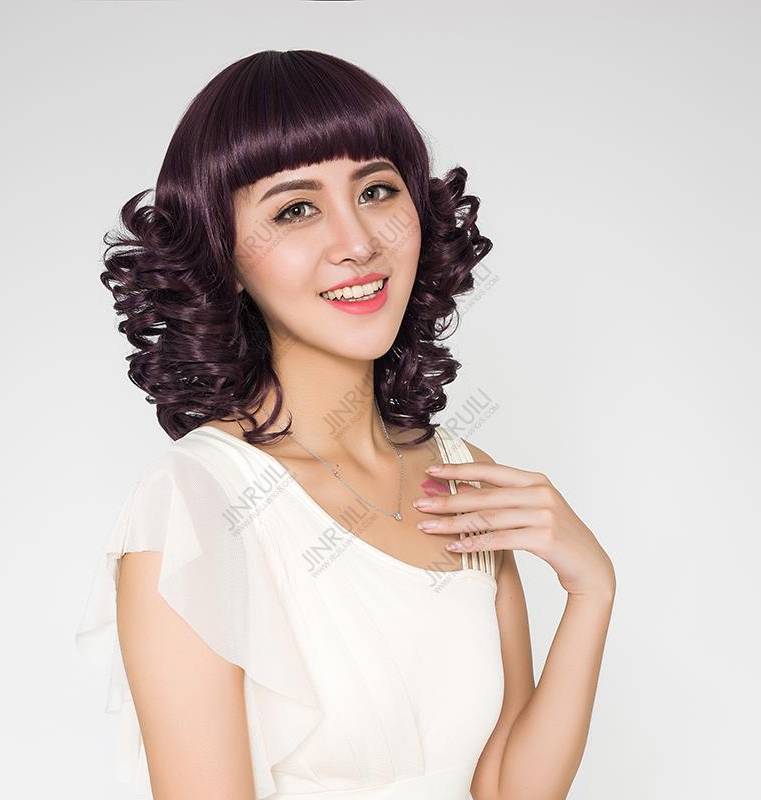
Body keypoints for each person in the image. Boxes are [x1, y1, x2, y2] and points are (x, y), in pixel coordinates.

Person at [75, 49, 617, 800]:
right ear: (226, 258)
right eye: (295, 209)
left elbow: (506, 789)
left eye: (376, 190)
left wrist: (591, 591)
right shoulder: (196, 506)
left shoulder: (459, 472)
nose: (358, 242)